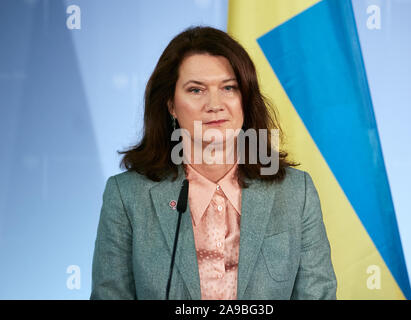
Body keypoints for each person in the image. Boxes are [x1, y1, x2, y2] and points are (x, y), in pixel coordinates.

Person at [90, 26, 337, 300]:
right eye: (196, 90)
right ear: (170, 104)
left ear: (245, 98)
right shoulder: (126, 196)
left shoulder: (295, 192)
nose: (215, 104)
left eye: (229, 88)